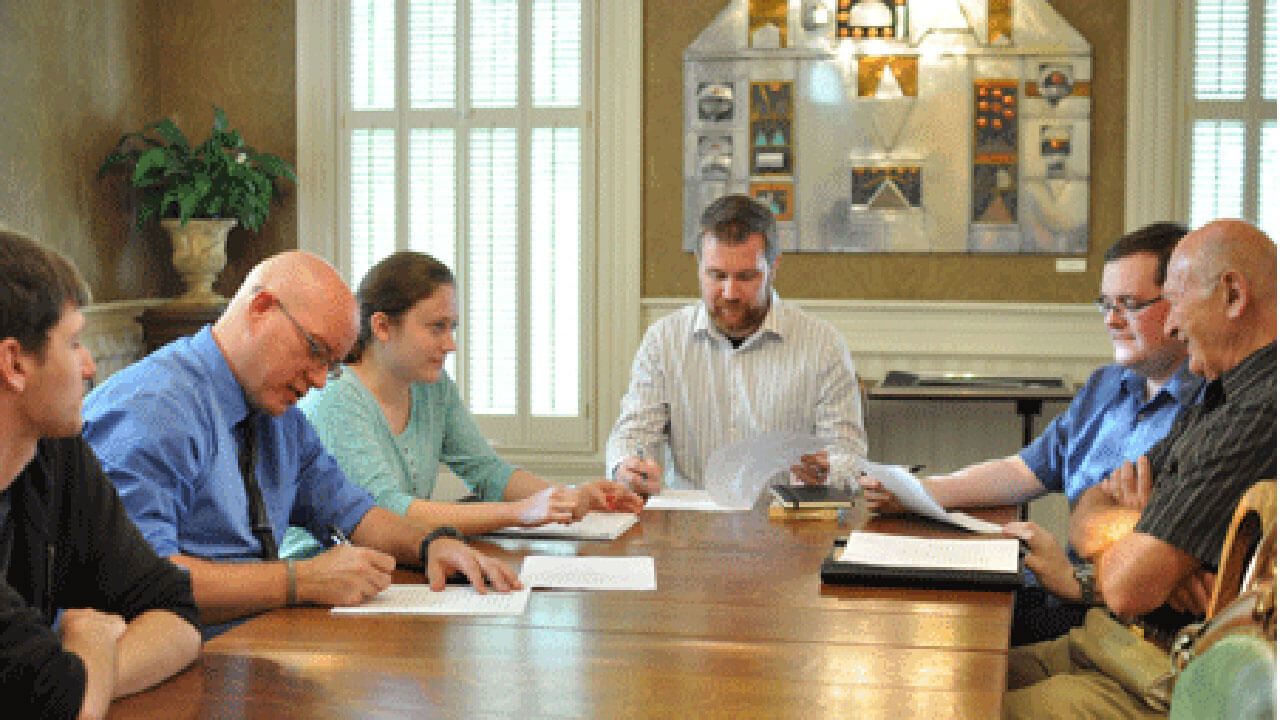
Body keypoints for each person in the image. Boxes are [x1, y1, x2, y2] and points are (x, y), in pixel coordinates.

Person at [82, 251, 520, 634]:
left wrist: (431, 545)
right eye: (314, 351)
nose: (316, 380)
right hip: (168, 670)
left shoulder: (278, 414)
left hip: (250, 645)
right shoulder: (155, 408)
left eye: (330, 366)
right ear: (261, 308)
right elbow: (144, 577)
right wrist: (298, 580)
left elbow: (354, 511)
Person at [859, 223, 1202, 644]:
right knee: (911, 616)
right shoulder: (1104, 387)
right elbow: (1024, 471)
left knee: (952, 644)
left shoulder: (1212, 410)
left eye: (1129, 304)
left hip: (1115, 619)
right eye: (1105, 304)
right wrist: (917, 492)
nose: (1112, 320)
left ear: (1180, 304)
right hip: (1060, 590)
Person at [1001, 219, 1277, 719]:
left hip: (1170, 677)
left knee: (965, 704)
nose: (1171, 325)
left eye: (1177, 300)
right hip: (1116, 645)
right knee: (960, 674)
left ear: (1233, 296)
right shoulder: (1218, 390)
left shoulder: (1263, 408)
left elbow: (1129, 588)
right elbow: (1089, 507)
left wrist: (1152, 557)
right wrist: (1152, 535)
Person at [279, 251, 642, 557]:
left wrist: (572, 497)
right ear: (383, 327)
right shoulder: (336, 398)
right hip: (323, 582)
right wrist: (521, 512)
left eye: (453, 327)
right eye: (437, 327)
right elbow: (386, 512)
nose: (450, 344)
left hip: (390, 569)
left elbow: (488, 472)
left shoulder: (432, 388)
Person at [0, 232, 201, 720]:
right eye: (74, 342)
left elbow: (177, 612)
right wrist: (88, 639)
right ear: (14, 363)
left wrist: (88, 674)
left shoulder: (56, 454)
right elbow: (65, 707)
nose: (91, 366)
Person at [606, 194, 867, 494]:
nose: (729, 293)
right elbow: (633, 432)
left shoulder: (824, 346)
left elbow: (849, 455)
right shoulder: (663, 341)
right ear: (698, 265)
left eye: (746, 277)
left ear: (773, 268)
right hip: (691, 522)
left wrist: (828, 472)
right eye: (716, 276)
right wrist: (625, 466)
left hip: (787, 520)